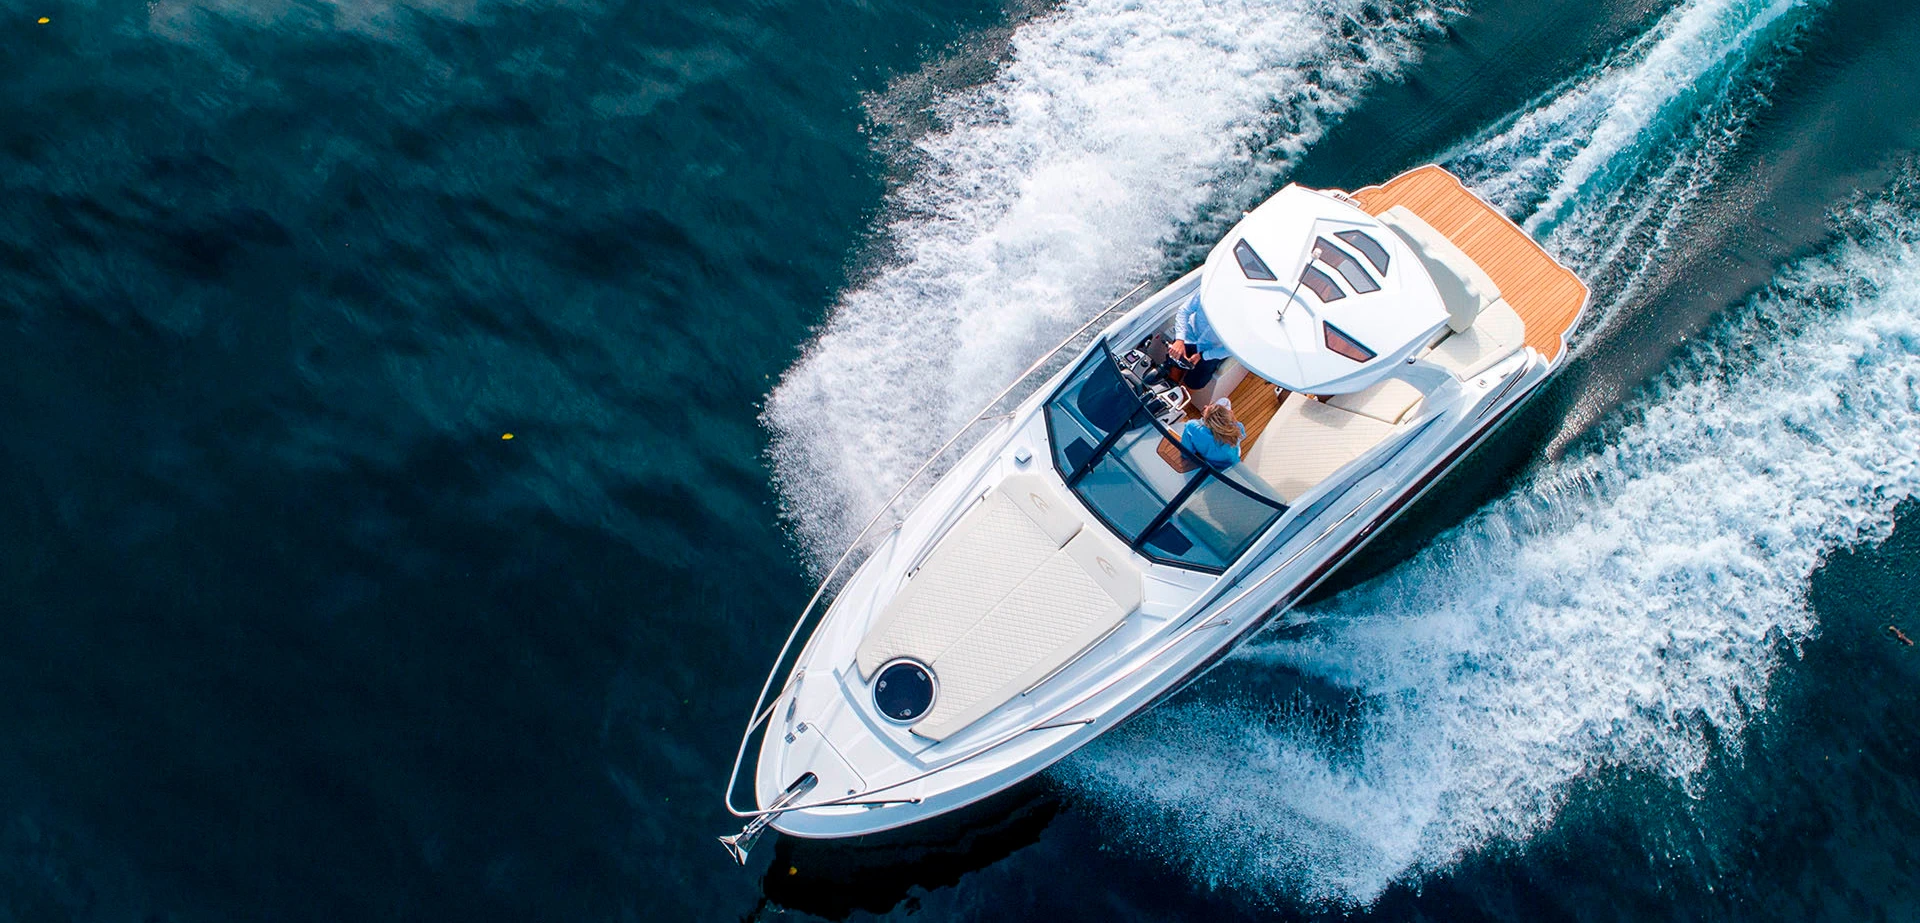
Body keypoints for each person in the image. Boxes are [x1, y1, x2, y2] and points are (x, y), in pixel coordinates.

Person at [1157, 292, 1231, 389]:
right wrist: (1180, 340)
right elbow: (1184, 311)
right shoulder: (1209, 290)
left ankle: (1183, 394)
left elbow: (1235, 349)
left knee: (1193, 384)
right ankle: (1169, 388)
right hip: (1188, 336)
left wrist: (1203, 356)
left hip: (1211, 350)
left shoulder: (1246, 318)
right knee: (1174, 365)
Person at [1178, 399, 1245, 469]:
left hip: (1207, 459)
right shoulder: (1238, 427)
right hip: (1227, 462)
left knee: (1224, 400)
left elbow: (1185, 453)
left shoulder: (1192, 427)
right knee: (1225, 401)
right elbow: (1240, 437)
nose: (1205, 406)